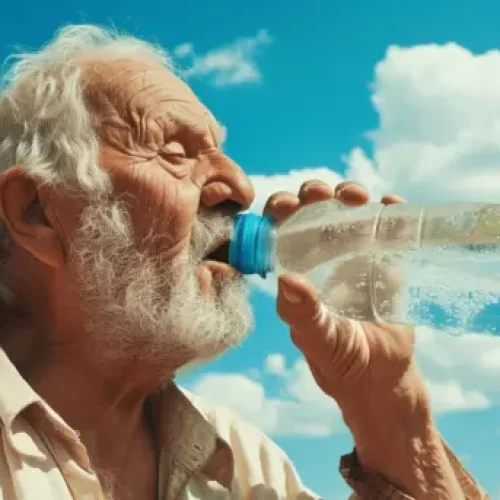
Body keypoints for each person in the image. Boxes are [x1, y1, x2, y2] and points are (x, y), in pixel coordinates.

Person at [0, 25, 487, 500]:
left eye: (221, 153)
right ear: (38, 212)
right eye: (175, 153)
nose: (240, 187)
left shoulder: (244, 465)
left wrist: (388, 402)